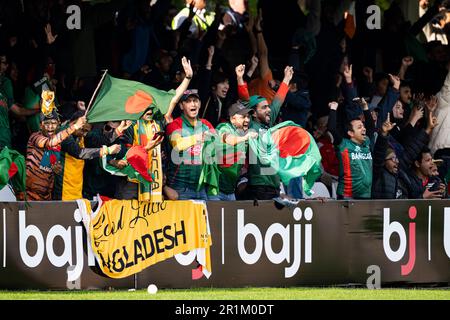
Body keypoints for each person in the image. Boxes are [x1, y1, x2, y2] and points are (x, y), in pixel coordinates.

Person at [237, 64, 293, 200]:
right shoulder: (250, 125)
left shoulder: (268, 123)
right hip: (258, 186)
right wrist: (240, 79)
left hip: (274, 186)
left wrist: (286, 80)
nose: (269, 110)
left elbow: (278, 102)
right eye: (264, 108)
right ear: (253, 113)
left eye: (268, 106)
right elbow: (245, 101)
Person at [25, 91, 86, 201]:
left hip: (47, 195)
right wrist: (75, 126)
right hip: (30, 194)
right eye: (46, 124)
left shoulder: (56, 144)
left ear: (58, 125)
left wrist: (55, 168)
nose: (50, 127)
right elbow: (49, 142)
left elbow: (47, 165)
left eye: (53, 123)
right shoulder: (35, 137)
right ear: (40, 125)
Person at [52, 111, 125, 201]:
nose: (83, 133)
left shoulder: (81, 133)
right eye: (83, 130)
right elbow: (79, 153)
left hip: (76, 188)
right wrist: (107, 150)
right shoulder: (63, 133)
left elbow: (99, 141)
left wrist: (118, 131)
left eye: (86, 131)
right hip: (62, 187)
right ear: (74, 123)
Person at [166, 89, 216, 200]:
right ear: (181, 106)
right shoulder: (175, 124)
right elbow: (178, 145)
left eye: (195, 100)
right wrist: (200, 137)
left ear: (200, 104)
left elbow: (217, 145)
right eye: (188, 101)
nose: (193, 104)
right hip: (180, 189)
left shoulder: (206, 124)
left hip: (202, 189)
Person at [328, 98, 375, 199]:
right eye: (359, 127)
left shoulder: (366, 142)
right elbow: (332, 128)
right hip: (347, 195)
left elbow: (371, 127)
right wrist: (333, 109)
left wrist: (365, 108)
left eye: (363, 126)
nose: (364, 128)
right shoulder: (343, 144)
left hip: (366, 195)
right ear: (351, 133)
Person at [215, 101, 257, 200]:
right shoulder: (224, 127)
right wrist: (245, 138)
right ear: (232, 119)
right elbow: (229, 139)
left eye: (248, 117)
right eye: (243, 117)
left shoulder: (242, 133)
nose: (247, 120)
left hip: (230, 191)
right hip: (216, 191)